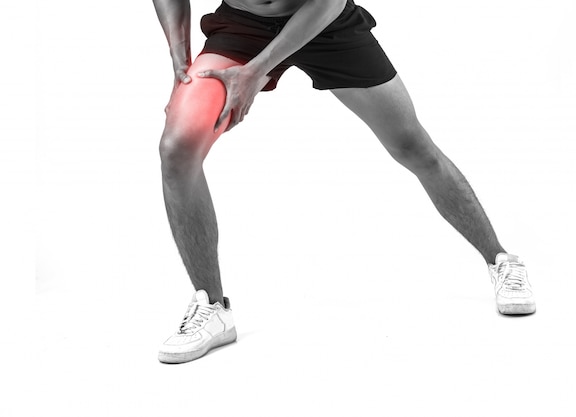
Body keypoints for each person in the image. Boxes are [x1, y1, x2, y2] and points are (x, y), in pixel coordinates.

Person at [152, 0, 536, 364]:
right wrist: (178, 55)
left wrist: (256, 71)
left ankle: (501, 259)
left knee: (413, 147)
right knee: (177, 148)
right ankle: (213, 308)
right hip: (243, 26)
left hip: (322, 21)